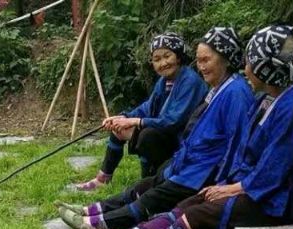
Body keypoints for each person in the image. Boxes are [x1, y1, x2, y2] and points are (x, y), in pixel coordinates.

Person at [78, 24, 293, 229]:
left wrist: (232, 187)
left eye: (251, 62)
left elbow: (275, 168)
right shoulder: (268, 99)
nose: (246, 68)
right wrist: (228, 182)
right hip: (253, 186)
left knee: (197, 214)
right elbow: (246, 151)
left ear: (267, 66)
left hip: (278, 200)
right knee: (190, 203)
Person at [58, 26, 251, 229]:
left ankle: (98, 223)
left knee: (153, 191)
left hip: (200, 168)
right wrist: (124, 117)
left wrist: (226, 183)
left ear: (225, 59)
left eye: (206, 60)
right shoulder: (215, 87)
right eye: (199, 60)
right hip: (188, 160)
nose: (201, 66)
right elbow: (148, 107)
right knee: (145, 186)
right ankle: (91, 210)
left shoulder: (233, 92)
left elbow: (235, 143)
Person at [73, 32, 208, 190]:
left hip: (184, 142)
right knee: (120, 127)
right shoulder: (164, 81)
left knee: (147, 136)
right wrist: (123, 117)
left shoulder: (190, 81)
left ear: (178, 57)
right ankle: (102, 178)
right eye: (157, 59)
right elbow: (148, 108)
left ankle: (150, 179)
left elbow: (173, 121)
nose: (163, 63)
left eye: (167, 56)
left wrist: (136, 121)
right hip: (169, 135)